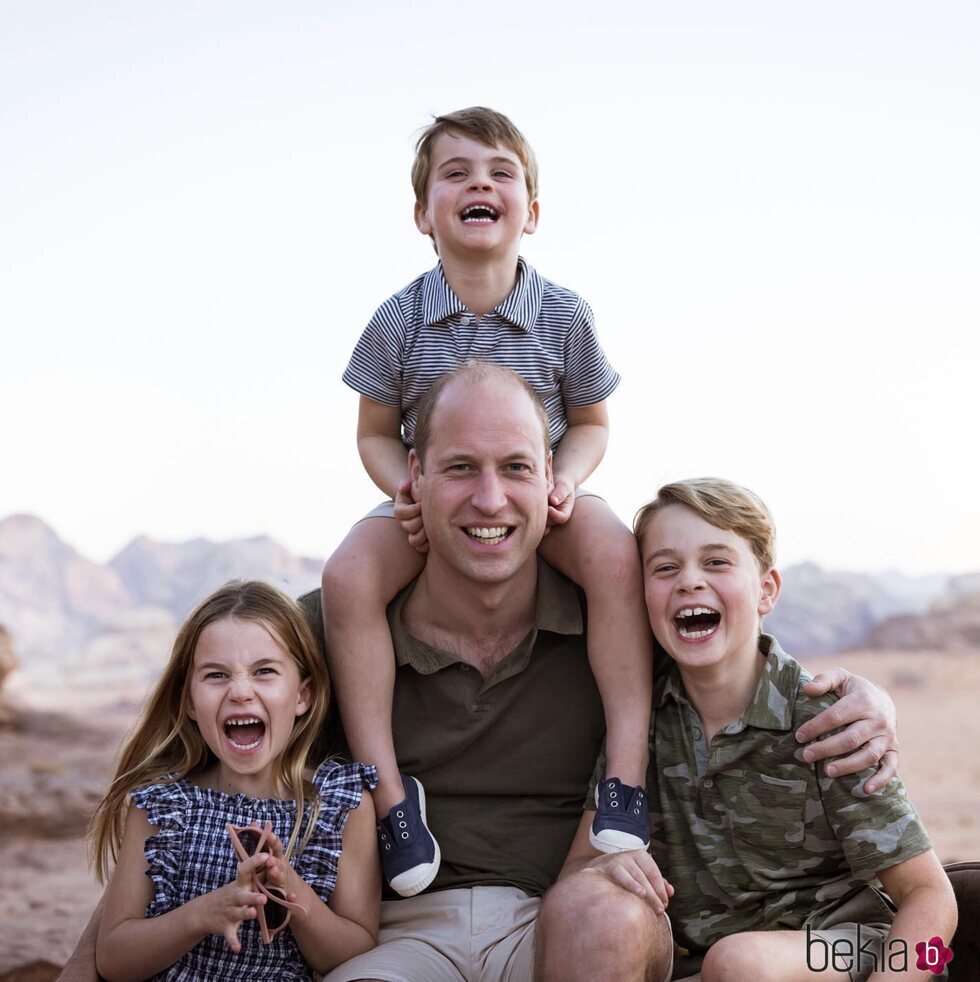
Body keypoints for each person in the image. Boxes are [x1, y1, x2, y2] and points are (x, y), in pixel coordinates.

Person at [58, 364, 900, 982]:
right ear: (413, 480)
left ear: (554, 486)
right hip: (398, 936)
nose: (490, 499)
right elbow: (191, 782)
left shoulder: (624, 632)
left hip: (574, 926)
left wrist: (871, 698)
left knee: (628, 923)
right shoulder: (333, 638)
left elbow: (736, 658)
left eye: (516, 468)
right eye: (460, 467)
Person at [322, 106, 654, 896]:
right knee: (346, 578)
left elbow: (592, 421)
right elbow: (372, 431)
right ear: (422, 212)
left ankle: (627, 777)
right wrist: (399, 486)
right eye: (457, 173)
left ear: (531, 212)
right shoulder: (399, 319)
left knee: (613, 551)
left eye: (501, 172)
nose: (481, 183)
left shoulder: (563, 315)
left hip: (539, 496)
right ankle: (391, 800)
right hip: (435, 500)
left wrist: (564, 477)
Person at [558, 478, 957, 982]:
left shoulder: (825, 720)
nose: (689, 581)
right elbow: (577, 872)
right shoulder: (642, 721)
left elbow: (932, 898)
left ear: (766, 590)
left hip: (859, 954)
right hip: (712, 967)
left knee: (741, 961)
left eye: (717, 562)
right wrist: (603, 869)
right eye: (665, 567)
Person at [88, 580, 381, 981]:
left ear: (303, 695)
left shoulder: (339, 805)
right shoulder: (163, 805)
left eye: (264, 672)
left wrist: (288, 888)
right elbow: (113, 960)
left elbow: (352, 952)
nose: (241, 691)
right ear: (189, 701)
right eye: (216, 675)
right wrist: (201, 915)